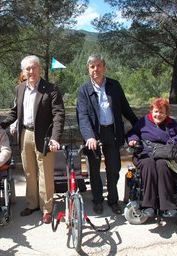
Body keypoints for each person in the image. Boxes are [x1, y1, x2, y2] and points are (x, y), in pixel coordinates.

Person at [0, 55, 65, 224]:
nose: (31, 71)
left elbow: (59, 115)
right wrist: (1, 126)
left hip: (45, 136)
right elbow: (15, 112)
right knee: (29, 172)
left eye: (34, 67)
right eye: (27, 68)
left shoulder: (51, 89)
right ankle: (33, 204)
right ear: (23, 71)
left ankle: (47, 209)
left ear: (40, 69)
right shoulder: (20, 89)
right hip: (25, 135)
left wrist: (55, 137)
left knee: (46, 174)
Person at [76, 54, 138, 215]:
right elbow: (82, 116)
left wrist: (140, 125)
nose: (95, 69)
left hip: (112, 131)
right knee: (94, 170)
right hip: (94, 135)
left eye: (98, 65)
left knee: (113, 168)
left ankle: (112, 200)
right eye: (92, 66)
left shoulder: (114, 85)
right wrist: (89, 136)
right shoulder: (83, 90)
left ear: (104, 67)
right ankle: (97, 200)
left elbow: (126, 108)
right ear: (88, 69)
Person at [127, 98, 177, 217]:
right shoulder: (144, 121)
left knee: (162, 165)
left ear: (166, 113)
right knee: (149, 164)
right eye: (156, 111)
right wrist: (133, 140)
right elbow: (132, 133)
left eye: (162, 112)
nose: (158, 115)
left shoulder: (172, 124)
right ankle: (148, 205)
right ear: (151, 111)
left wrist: (174, 140)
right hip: (145, 153)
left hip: (164, 154)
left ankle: (167, 206)